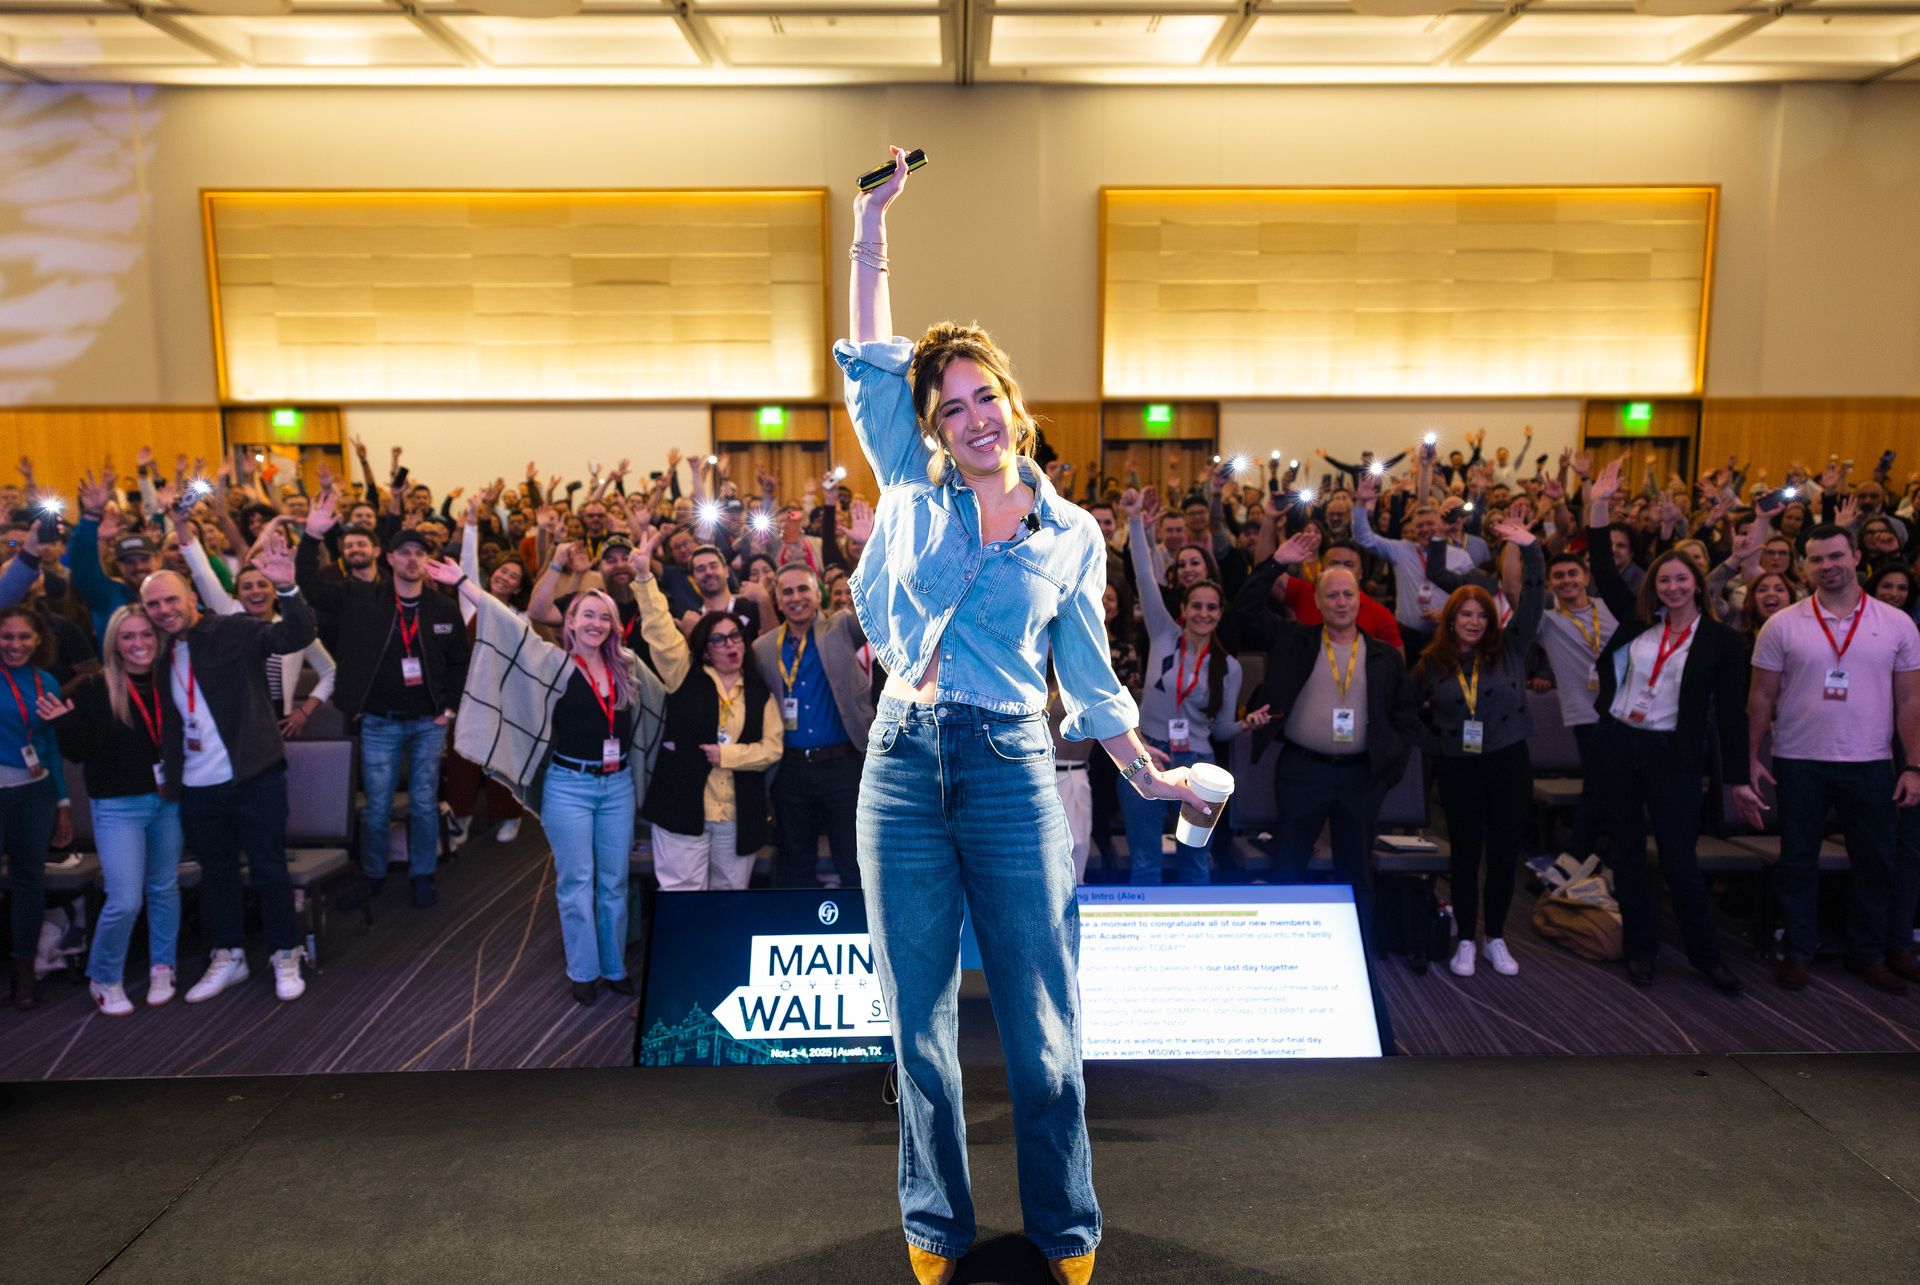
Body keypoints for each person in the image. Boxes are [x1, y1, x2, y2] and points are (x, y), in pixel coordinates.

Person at [842, 147, 1206, 1285]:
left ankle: (1067, 1225)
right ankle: (936, 1220)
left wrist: (1147, 774)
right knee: (921, 1031)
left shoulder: (1074, 535)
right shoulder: (908, 481)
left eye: (982, 395)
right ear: (934, 426)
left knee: (1045, 1030)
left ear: (1012, 400)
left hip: (1010, 767)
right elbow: (865, 348)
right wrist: (871, 226)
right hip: (900, 763)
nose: (969, 418)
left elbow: (1092, 686)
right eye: (948, 408)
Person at [427, 526, 688, 1004]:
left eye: (603, 617)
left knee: (613, 882)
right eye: (587, 615)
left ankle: (612, 967)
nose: (596, 624)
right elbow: (508, 629)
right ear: (569, 623)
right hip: (568, 785)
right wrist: (465, 582)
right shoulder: (553, 664)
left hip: (618, 787)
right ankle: (583, 970)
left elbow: (666, 701)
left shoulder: (629, 667)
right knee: (576, 882)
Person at [1584, 459, 1750, 992]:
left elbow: (1729, 714)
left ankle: (1705, 956)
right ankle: (1640, 950)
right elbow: (1605, 570)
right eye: (1664, 580)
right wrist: (1599, 505)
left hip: (1673, 757)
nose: (1673, 587)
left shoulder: (1722, 643)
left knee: (1680, 860)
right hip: (1620, 747)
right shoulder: (1638, 623)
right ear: (1654, 587)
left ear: (1698, 586)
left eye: (1682, 579)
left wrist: (1738, 779)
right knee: (1627, 855)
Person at [1738, 524, 1920, 993]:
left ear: (1857, 556)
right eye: (1817, 559)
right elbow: (1760, 697)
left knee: (1875, 863)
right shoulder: (1782, 624)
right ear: (1806, 564)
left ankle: (1869, 954)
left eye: (1836, 556)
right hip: (1798, 759)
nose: (1828, 566)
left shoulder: (1897, 623)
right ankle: (1799, 950)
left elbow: (1910, 702)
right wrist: (1750, 759)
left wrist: (1914, 765)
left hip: (1871, 761)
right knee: (1797, 859)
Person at [139, 530, 317, 1005]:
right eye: (153, 605)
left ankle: (285, 952)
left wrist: (288, 589)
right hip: (198, 787)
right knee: (216, 874)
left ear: (191, 596)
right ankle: (230, 954)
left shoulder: (232, 629)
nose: (163, 610)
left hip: (253, 774)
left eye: (170, 600)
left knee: (268, 868)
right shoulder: (159, 653)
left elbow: (295, 634)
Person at [1236, 527, 1421, 954]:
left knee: (1356, 870)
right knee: (1289, 863)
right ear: (1317, 602)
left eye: (1347, 595)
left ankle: (1357, 953)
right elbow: (1246, 610)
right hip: (1302, 771)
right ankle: (1282, 951)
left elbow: (1405, 718)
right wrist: (1275, 562)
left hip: (1360, 777)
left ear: (1361, 600)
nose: (1340, 602)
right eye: (1331, 595)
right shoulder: (1294, 640)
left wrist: (1385, 770)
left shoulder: (1383, 656)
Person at [300, 492, 470, 910]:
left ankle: (423, 874)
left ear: (428, 561)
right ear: (388, 559)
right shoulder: (361, 599)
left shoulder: (444, 609)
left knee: (425, 803)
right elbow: (310, 589)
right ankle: (374, 874)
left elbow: (460, 664)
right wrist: (309, 538)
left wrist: (448, 709)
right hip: (378, 720)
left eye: (419, 553)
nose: (411, 559)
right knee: (377, 808)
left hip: (429, 722)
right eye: (403, 553)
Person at [1412, 518, 1545, 978]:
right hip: (1458, 766)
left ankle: (1497, 939)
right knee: (1466, 853)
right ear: (1451, 619)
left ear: (1491, 620)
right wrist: (1437, 742)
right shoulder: (1433, 663)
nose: (1472, 621)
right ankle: (1466, 938)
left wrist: (1530, 548)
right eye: (1464, 614)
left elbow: (1534, 598)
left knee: (1505, 853)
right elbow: (1404, 713)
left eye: (1480, 615)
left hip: (1508, 760)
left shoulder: (1511, 649)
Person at [38, 605, 182, 1015]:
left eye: (146, 635)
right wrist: (65, 725)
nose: (139, 644)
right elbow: (79, 753)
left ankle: (163, 965)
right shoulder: (94, 688)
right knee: (124, 899)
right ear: (114, 643)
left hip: (167, 801)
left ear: (158, 639)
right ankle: (104, 976)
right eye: (128, 636)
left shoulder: (170, 683)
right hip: (118, 806)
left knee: (164, 888)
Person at [1119, 505, 1262, 884]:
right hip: (1147, 754)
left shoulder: (1229, 667)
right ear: (1182, 609)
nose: (1203, 613)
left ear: (1220, 613)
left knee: (1195, 865)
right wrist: (1135, 520)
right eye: (1196, 606)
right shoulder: (1164, 635)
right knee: (1146, 863)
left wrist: (1245, 724)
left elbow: (1223, 730)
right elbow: (1144, 575)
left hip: (1200, 765)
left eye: (1211, 608)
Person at [750, 563, 873, 889]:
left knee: (853, 858)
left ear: (817, 594)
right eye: (787, 591)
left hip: (842, 766)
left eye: (803, 589)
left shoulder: (842, 627)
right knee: (795, 860)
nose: (796, 598)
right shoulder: (762, 649)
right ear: (777, 599)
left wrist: (864, 548)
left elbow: (876, 601)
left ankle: (860, 933)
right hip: (789, 771)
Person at [641, 612, 782, 890]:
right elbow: (659, 631)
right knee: (682, 895)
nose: (730, 644)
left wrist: (727, 756)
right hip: (681, 808)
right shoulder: (684, 678)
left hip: (736, 816)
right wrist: (645, 578)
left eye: (734, 636)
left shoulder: (758, 692)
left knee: (728, 897)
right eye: (718, 639)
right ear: (705, 651)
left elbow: (773, 748)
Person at [181, 521, 337, 738]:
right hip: (233, 720)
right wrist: (181, 524)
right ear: (237, 595)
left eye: (263, 584)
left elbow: (331, 672)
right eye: (246, 587)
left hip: (278, 722)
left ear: (274, 591)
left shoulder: (291, 629)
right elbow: (201, 572)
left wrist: (304, 711)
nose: (256, 591)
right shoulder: (227, 613)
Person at [1, 605, 73, 1010]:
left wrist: (63, 804)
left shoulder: (46, 681)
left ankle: (24, 971)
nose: (15, 645)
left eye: (24, 636)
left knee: (28, 882)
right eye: (6, 636)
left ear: (39, 639)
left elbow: (50, 748)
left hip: (35, 794)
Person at [1533, 550, 1618, 862]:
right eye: (1559, 576)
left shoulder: (1611, 608)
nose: (1567, 580)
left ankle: (1592, 861)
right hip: (1587, 717)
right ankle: (1581, 863)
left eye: (1572, 573)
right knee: (1597, 791)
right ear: (1550, 584)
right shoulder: (1548, 621)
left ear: (1585, 577)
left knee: (1614, 792)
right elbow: (1516, 591)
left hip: (1626, 714)